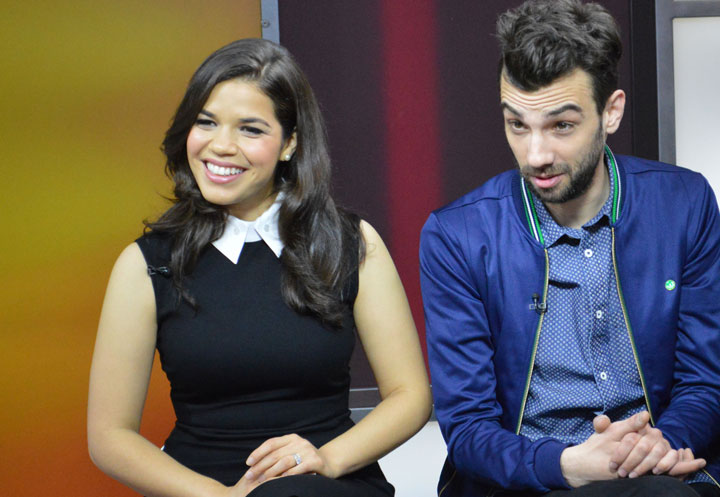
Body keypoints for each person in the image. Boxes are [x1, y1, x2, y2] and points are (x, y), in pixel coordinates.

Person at [88, 38, 432, 497]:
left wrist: (328, 458)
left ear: (290, 143)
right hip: (201, 487)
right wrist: (220, 496)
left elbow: (411, 396)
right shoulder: (146, 264)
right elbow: (110, 436)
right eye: (206, 122)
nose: (221, 145)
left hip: (329, 482)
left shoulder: (351, 243)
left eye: (250, 130)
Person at [419, 1, 720, 496]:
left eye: (561, 125)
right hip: (528, 482)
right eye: (517, 125)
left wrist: (659, 444)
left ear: (611, 112)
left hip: (659, 472)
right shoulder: (458, 236)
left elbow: (705, 382)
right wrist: (566, 465)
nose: (536, 155)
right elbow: (469, 427)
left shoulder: (684, 203)